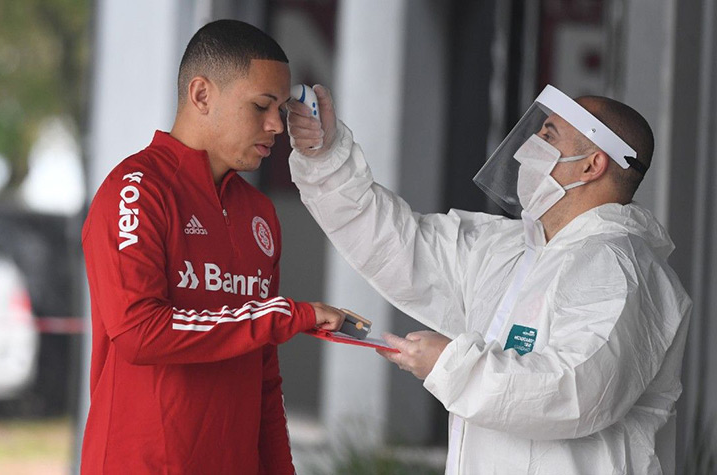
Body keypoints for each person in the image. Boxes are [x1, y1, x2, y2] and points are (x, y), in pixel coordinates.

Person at [286, 84, 691, 474]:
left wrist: (452, 364)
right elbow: (396, 243)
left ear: (592, 165)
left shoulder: (618, 268)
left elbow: (577, 392)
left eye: (548, 134)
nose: (530, 146)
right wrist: (325, 160)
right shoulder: (511, 249)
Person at [81, 20, 345, 474]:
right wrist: (284, 315)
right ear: (201, 95)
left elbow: (263, 374)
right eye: (262, 105)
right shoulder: (136, 190)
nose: (275, 126)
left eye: (281, 109)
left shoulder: (260, 213)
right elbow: (138, 333)